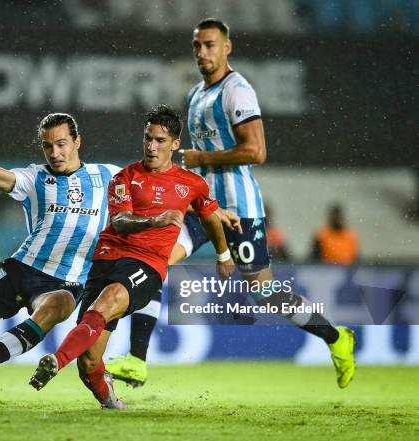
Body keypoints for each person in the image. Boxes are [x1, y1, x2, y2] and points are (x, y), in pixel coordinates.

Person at [109, 18, 356, 390]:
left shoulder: (238, 91)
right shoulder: (195, 95)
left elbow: (256, 151)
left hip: (239, 209)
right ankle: (137, 361)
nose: (202, 53)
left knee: (265, 292)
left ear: (227, 47)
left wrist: (201, 160)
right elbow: (196, 155)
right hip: (201, 205)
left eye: (210, 45)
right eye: (197, 46)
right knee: (154, 260)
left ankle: (336, 338)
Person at [28, 105, 236, 409]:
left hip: (146, 263)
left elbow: (210, 217)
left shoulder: (192, 184)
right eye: (147, 138)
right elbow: (121, 222)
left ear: (175, 144)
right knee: (88, 363)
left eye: (160, 141)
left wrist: (223, 253)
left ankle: (55, 361)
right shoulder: (125, 177)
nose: (151, 147)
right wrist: (156, 220)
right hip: (107, 259)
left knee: (106, 302)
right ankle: (110, 401)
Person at [0, 103, 120, 386]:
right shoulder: (35, 178)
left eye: (61, 144)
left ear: (77, 141)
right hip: (21, 270)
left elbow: (153, 184)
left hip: (66, 282)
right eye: (47, 146)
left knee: (53, 310)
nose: (55, 153)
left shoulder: (108, 176)